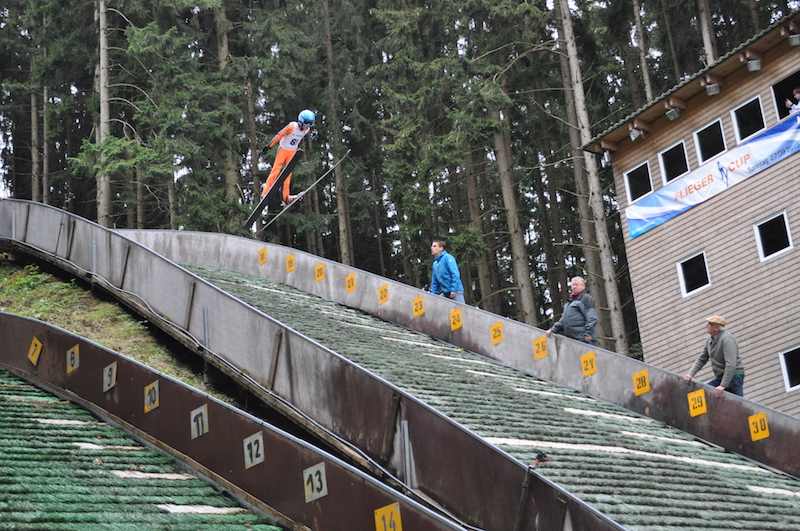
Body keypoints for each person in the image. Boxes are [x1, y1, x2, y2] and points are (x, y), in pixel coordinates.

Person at [261, 109, 315, 203]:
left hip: (292, 152)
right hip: (283, 150)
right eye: (307, 123)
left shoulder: (306, 130)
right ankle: (264, 193)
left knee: (288, 174)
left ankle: (286, 197)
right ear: (301, 121)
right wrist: (269, 146)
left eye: (311, 123)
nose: (308, 126)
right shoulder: (291, 127)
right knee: (276, 171)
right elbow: (280, 135)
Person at [683, 315, 744, 398]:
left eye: (709, 324)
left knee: (737, 402)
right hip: (720, 377)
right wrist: (690, 374)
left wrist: (723, 385)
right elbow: (702, 359)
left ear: (717, 327)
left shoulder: (727, 339)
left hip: (734, 376)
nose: (706, 326)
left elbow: (731, 365)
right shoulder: (710, 339)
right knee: (703, 393)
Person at [545, 276, 597, 344]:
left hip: (583, 339)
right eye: (573, 285)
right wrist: (553, 329)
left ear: (583, 286)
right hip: (571, 340)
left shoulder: (586, 298)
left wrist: (588, 333)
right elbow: (563, 320)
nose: (574, 287)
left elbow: (592, 318)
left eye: (577, 285)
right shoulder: (570, 302)